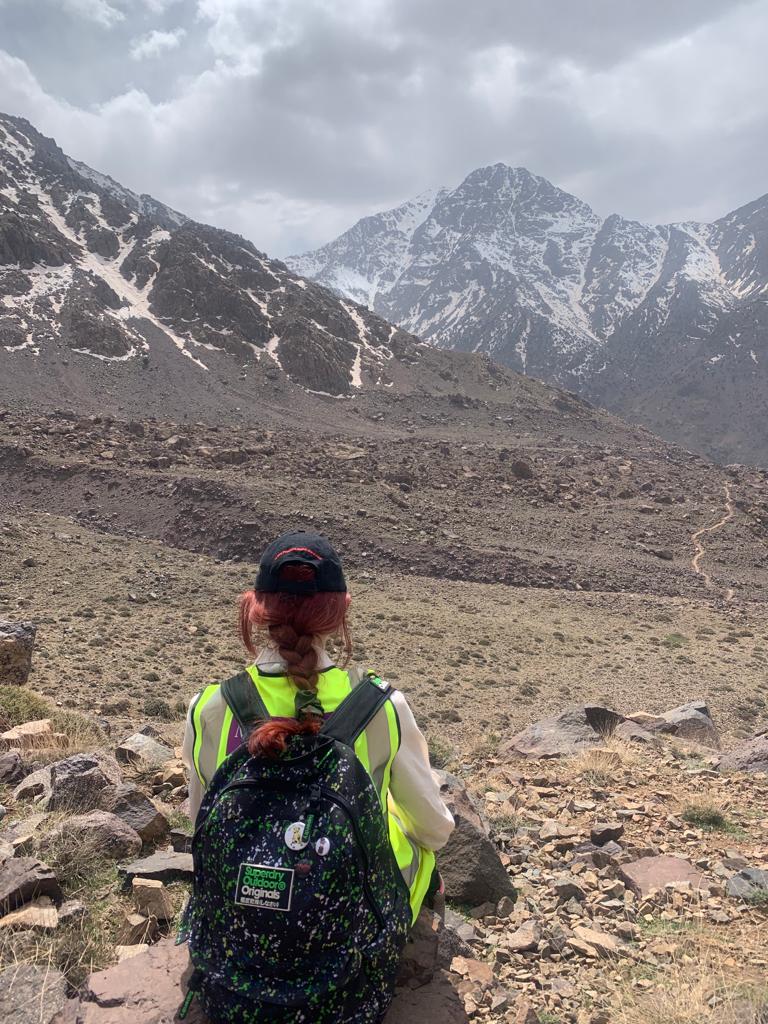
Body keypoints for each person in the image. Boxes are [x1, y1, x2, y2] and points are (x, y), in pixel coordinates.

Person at [181, 530, 454, 1023]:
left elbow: (200, 826)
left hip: (240, 932)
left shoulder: (211, 706)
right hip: (341, 939)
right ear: (341, 610)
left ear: (255, 607)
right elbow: (435, 830)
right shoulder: (381, 707)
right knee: (418, 848)